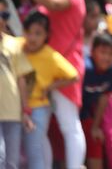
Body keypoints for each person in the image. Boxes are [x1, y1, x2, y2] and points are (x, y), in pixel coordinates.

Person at [12, 0, 87, 168]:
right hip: (43, 71)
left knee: (68, 124)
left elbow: (55, 4)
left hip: (65, 68)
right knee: (40, 124)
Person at [21, 11, 79, 169]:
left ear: (46, 35)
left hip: (38, 108)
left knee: (34, 150)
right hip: (14, 108)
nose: (32, 38)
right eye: (29, 32)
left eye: (38, 33)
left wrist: (50, 87)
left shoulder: (51, 56)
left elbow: (74, 76)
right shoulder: (17, 47)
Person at [81, 32, 112, 169]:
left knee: (96, 139)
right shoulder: (85, 68)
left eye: (111, 54)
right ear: (92, 51)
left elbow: (104, 97)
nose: (106, 57)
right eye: (103, 52)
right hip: (72, 112)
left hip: (90, 113)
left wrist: (95, 126)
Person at [0, 0, 34, 169]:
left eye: (4, 14)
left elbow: (22, 79)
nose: (1, 19)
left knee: (12, 162)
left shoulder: (14, 44)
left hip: (12, 111)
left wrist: (26, 110)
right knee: (1, 156)